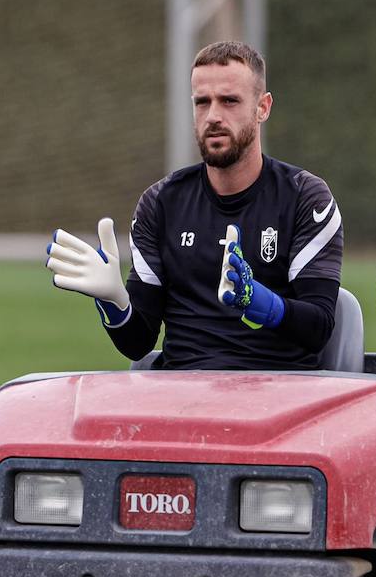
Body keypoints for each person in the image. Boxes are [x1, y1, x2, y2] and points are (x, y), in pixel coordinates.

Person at [46, 41, 344, 370]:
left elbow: (319, 327)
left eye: (229, 101)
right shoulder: (160, 203)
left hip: (281, 398)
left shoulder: (305, 197)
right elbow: (138, 344)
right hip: (182, 398)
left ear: (263, 107)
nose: (213, 116)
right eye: (202, 102)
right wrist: (114, 303)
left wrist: (258, 302)